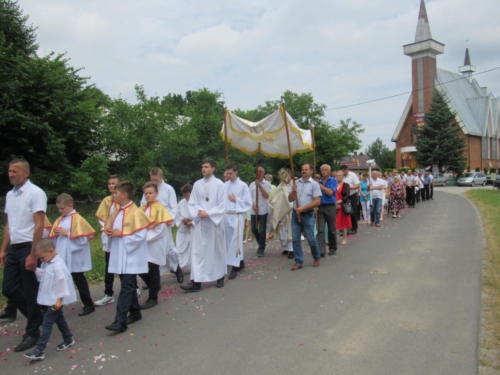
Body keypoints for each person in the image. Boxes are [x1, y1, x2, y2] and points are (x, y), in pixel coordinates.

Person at [1, 159, 46, 352]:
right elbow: (9, 225)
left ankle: (32, 333)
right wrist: (3, 249)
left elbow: (39, 224)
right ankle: (38, 317)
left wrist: (33, 254)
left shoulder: (35, 193)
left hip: (29, 245)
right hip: (14, 247)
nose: (11, 174)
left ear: (26, 173)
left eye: (15, 171)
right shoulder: (10, 195)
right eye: (10, 171)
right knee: (9, 289)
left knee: (30, 291)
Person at [104, 182, 152, 333]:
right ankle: (135, 312)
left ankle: (120, 321)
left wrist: (121, 233)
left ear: (124, 194)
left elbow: (141, 235)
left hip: (132, 256)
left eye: (116, 193)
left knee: (127, 287)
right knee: (127, 284)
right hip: (121, 254)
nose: (114, 195)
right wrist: (111, 232)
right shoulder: (117, 211)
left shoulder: (136, 212)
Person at [23, 239, 76, 361]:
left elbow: (62, 283)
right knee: (59, 319)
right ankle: (68, 339)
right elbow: (46, 275)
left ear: (51, 251)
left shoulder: (58, 266)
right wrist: (35, 270)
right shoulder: (49, 263)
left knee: (47, 323)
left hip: (56, 301)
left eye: (42, 258)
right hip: (52, 300)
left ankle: (39, 350)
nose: (41, 260)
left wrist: (59, 301)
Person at [180, 159, 226, 292]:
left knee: (215, 251)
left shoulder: (219, 185)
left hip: (213, 223)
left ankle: (219, 277)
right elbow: (192, 203)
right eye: (202, 167)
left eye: (206, 167)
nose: (204, 169)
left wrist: (209, 213)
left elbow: (222, 205)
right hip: (200, 223)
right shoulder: (197, 184)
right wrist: (199, 211)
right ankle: (196, 282)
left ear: (213, 169)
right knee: (198, 252)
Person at [49, 194, 96, 317]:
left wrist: (67, 233)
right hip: (62, 255)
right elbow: (54, 239)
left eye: (63, 208)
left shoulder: (77, 219)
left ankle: (88, 304)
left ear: (71, 205)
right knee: (61, 280)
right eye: (59, 208)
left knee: (79, 279)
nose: (60, 211)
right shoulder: (60, 220)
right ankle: (58, 304)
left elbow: (83, 239)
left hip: (75, 257)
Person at [140, 167, 183, 283]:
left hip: (164, 222)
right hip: (151, 224)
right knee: (153, 252)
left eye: (156, 180)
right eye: (152, 180)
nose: (154, 182)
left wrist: (170, 219)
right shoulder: (148, 190)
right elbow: (142, 205)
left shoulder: (169, 189)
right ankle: (153, 279)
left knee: (170, 249)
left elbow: (174, 207)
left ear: (161, 177)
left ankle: (177, 268)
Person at [139, 182, 174, 309]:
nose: (148, 195)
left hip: (154, 244)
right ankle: (154, 286)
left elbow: (160, 230)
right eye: (146, 193)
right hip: (143, 244)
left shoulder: (160, 208)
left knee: (153, 269)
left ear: (156, 194)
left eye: (150, 193)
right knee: (141, 269)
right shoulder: (142, 208)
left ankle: (153, 298)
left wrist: (144, 238)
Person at [289, 163, 322, 270]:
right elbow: (290, 199)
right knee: (295, 239)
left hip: (307, 214)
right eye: (302, 169)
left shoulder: (314, 184)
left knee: (311, 238)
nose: (304, 171)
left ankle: (316, 257)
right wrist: (293, 191)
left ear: (311, 171)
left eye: (306, 169)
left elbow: (317, 201)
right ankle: (298, 261)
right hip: (295, 214)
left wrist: (303, 208)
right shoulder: (295, 183)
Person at [94, 174, 120, 306]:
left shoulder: (123, 200)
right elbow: (101, 218)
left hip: (120, 237)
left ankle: (134, 288)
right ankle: (108, 293)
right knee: (109, 266)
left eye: (114, 183)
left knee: (122, 265)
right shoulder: (106, 201)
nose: (111, 186)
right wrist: (106, 228)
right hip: (109, 236)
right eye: (109, 183)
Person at [224, 164, 252, 280]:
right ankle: (240, 262)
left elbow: (248, 202)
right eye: (227, 173)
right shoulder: (225, 185)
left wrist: (237, 200)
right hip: (227, 215)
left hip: (237, 216)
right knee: (228, 240)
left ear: (236, 172)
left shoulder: (243, 186)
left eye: (231, 173)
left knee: (235, 241)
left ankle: (234, 267)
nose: (229, 175)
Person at [269, 168, 293, 259]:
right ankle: (285, 248)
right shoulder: (280, 187)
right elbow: (275, 198)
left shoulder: (292, 186)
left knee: (290, 231)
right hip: (281, 212)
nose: (286, 178)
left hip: (290, 211)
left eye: (287, 176)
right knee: (283, 231)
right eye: (284, 177)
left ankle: (291, 250)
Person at [249, 166, 272, 257]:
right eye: (257, 171)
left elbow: (267, 196)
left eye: (260, 171)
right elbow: (248, 197)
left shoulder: (267, 184)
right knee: (253, 229)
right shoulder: (251, 184)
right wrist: (252, 205)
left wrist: (260, 186)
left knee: (262, 230)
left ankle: (261, 249)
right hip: (254, 210)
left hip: (263, 210)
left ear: (263, 173)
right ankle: (262, 243)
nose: (258, 173)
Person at [316, 164, 338, 257]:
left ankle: (332, 247)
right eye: (322, 170)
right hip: (320, 207)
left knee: (331, 229)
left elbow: (330, 193)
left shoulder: (333, 180)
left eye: (326, 170)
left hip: (330, 206)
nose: (324, 171)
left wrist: (320, 186)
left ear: (329, 171)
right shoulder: (319, 181)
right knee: (320, 230)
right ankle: (321, 250)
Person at [175, 184, 194, 272]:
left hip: (192, 229)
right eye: (184, 194)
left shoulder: (195, 202)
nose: (186, 196)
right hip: (183, 229)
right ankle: (182, 267)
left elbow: (198, 215)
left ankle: (191, 267)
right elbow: (177, 216)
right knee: (181, 249)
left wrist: (192, 221)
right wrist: (182, 220)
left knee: (191, 250)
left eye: (187, 194)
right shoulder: (181, 203)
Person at [342, 165, 360, 235]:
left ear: (347, 169)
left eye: (345, 170)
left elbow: (358, 185)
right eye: (343, 170)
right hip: (345, 197)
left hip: (353, 196)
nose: (344, 172)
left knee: (353, 212)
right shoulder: (341, 176)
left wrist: (350, 188)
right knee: (346, 212)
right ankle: (347, 228)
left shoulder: (353, 175)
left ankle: (354, 228)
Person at [335, 171, 352, 245]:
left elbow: (347, 195)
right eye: (337, 175)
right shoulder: (333, 184)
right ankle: (334, 238)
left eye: (340, 175)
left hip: (342, 206)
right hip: (333, 205)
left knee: (344, 223)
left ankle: (344, 238)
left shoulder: (346, 185)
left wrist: (339, 201)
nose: (338, 177)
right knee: (334, 222)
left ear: (343, 176)